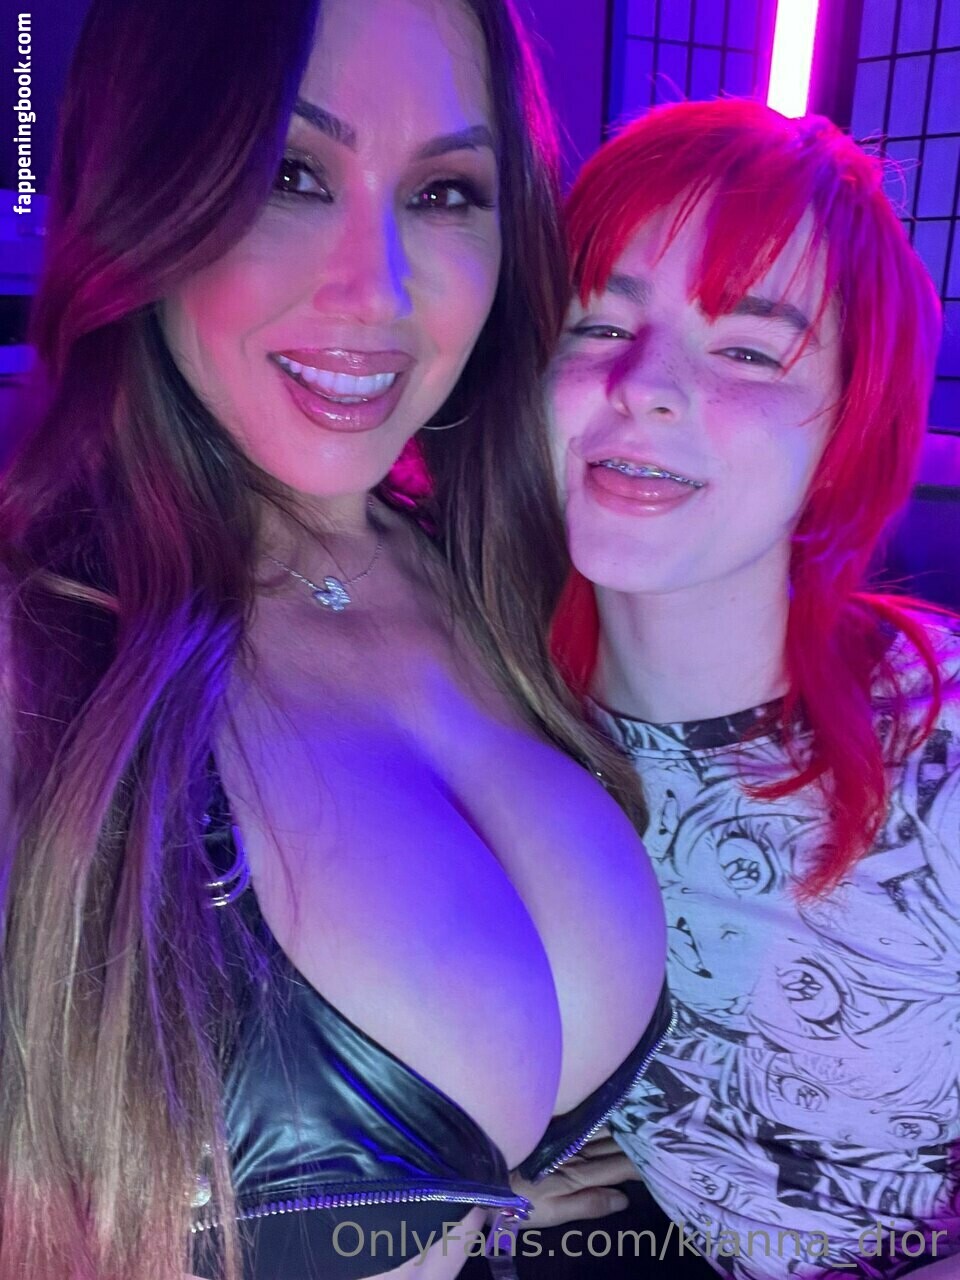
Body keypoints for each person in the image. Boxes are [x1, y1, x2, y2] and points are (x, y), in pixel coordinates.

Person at [0, 3, 671, 1279]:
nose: (378, 292)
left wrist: (479, 1186)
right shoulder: (41, 651)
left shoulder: (489, 575)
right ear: (147, 192)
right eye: (289, 174)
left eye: (445, 192)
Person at [545, 98, 960, 1278]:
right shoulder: (487, 705)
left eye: (747, 350)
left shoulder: (940, 741)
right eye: (598, 321)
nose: (644, 383)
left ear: (846, 431)